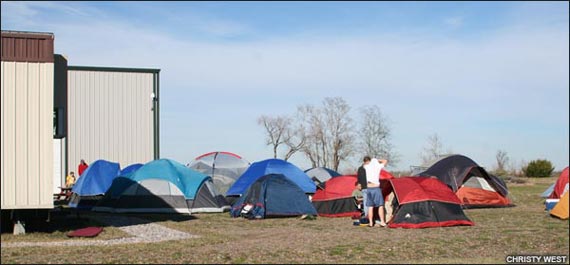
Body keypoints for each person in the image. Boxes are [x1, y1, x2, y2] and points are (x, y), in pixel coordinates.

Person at [364, 157, 388, 227]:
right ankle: (382, 222)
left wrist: (372, 160)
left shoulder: (366, 167)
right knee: (380, 205)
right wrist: (378, 160)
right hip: (376, 188)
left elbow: (365, 163)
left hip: (369, 188)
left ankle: (371, 223)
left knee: (370, 206)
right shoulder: (378, 166)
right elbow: (385, 160)